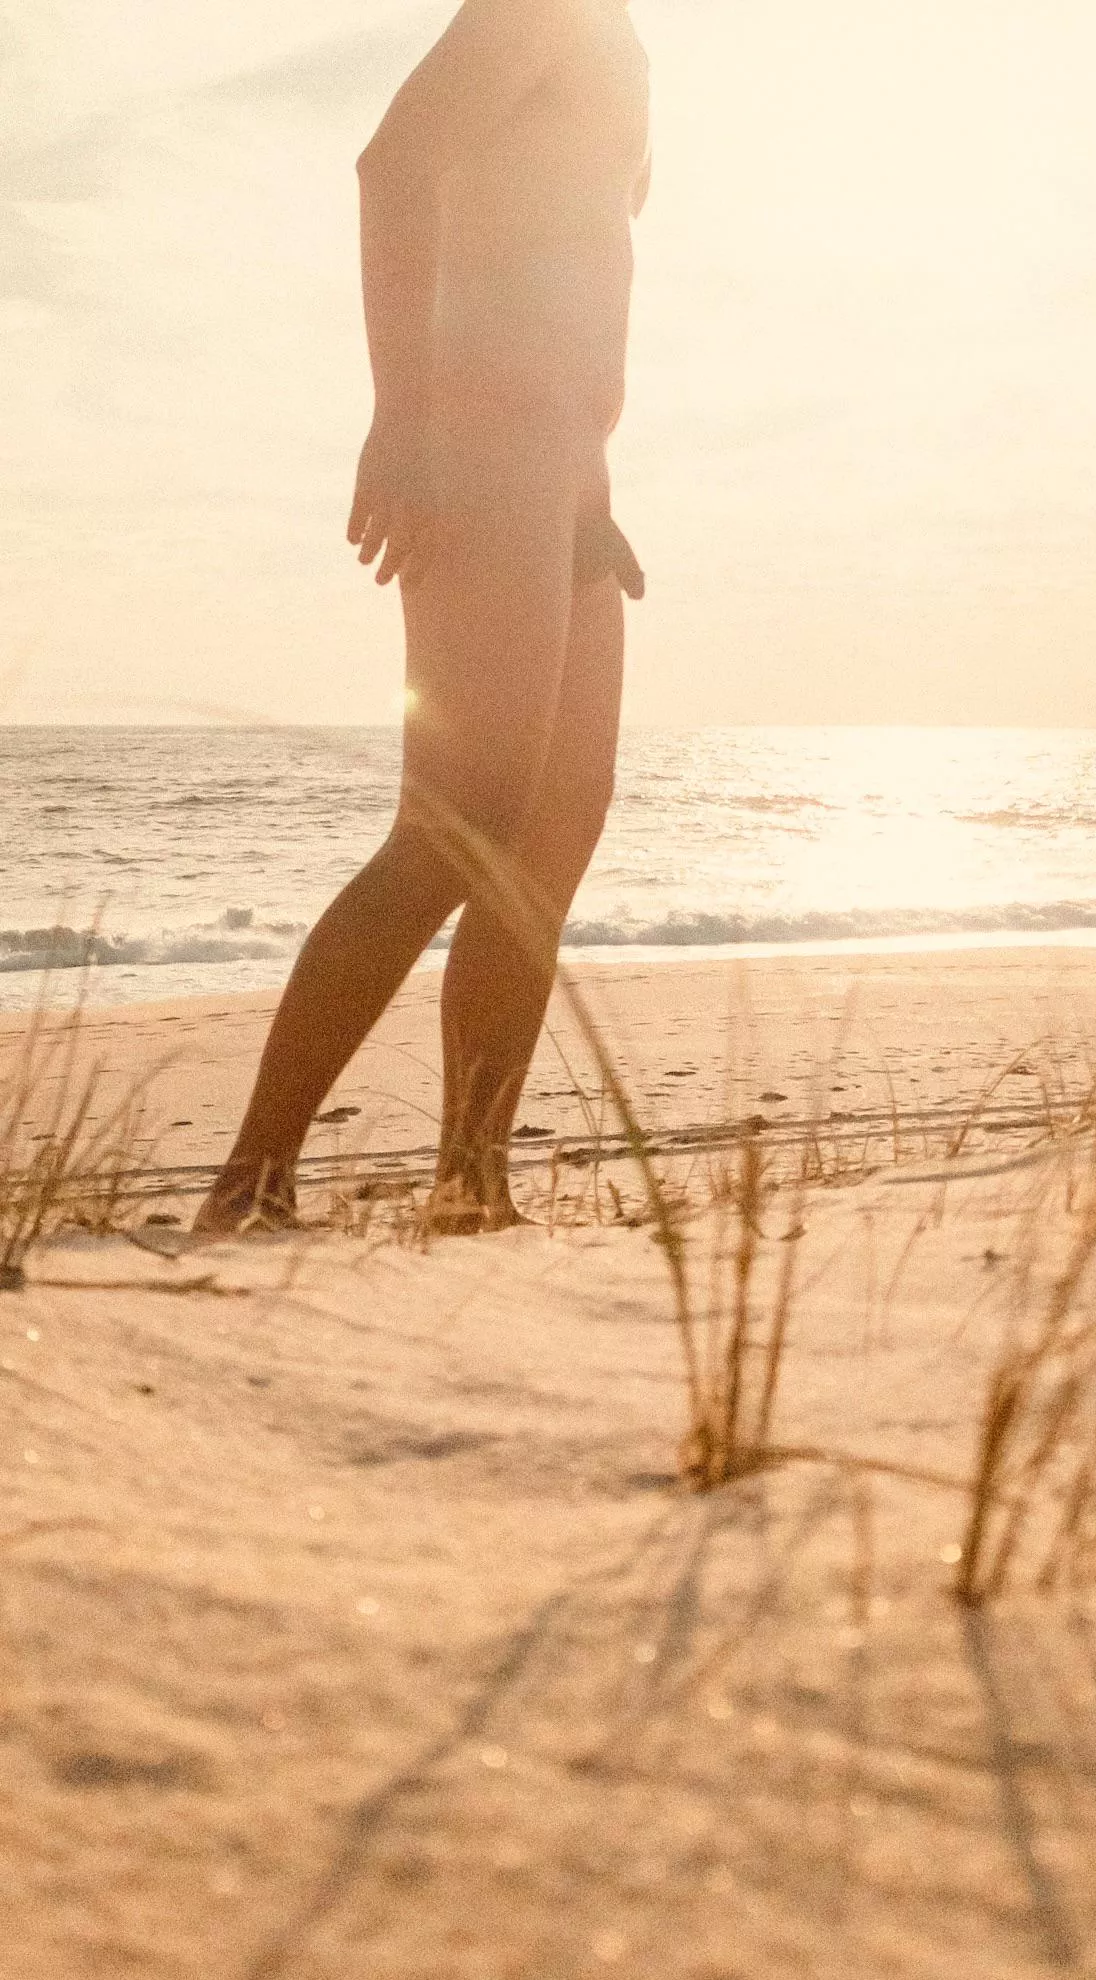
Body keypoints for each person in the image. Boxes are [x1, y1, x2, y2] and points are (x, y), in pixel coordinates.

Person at [195, 0, 651, 1235]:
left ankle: (469, 1188)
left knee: (547, 844)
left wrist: (594, 495)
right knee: (458, 829)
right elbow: (394, 162)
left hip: (567, 482)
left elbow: (582, 271)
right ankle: (249, 1186)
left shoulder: (621, 43)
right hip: (484, 441)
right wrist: (403, 421)